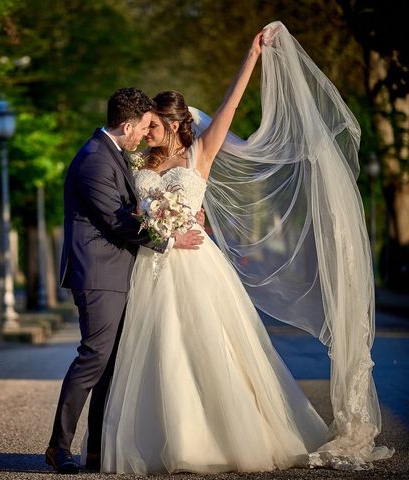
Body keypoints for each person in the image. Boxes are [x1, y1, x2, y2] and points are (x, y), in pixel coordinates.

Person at [101, 23, 392, 474]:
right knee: (159, 351)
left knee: (208, 348)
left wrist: (252, 56)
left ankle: (215, 440)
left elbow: (231, 107)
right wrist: (154, 221)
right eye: (146, 126)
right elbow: (123, 207)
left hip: (196, 264)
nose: (148, 131)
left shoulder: (202, 152)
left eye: (155, 125)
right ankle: (167, 440)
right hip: (152, 264)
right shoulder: (139, 161)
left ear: (176, 123)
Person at [45, 87, 205, 474]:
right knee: (94, 357)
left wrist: (182, 216)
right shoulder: (95, 161)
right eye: (143, 127)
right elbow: (119, 221)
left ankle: (98, 447)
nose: (143, 136)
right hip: (99, 274)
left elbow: (132, 209)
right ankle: (58, 447)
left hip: (118, 272)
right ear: (128, 125)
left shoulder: (110, 154)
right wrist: (171, 238)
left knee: (112, 364)